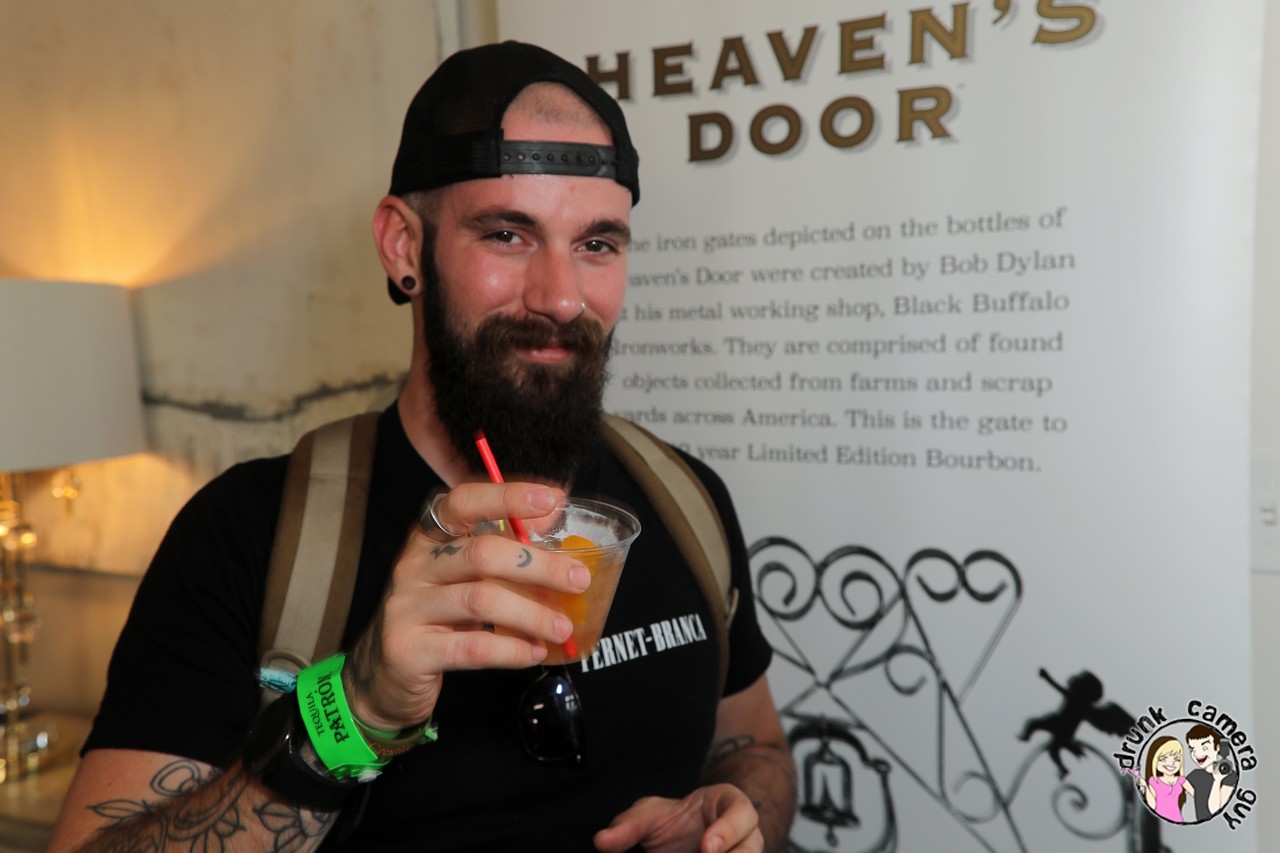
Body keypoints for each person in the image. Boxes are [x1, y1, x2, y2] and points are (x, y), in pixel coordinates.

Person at [49, 40, 796, 852]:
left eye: (597, 244)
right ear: (404, 246)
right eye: (508, 234)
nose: (561, 296)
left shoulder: (685, 499)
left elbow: (756, 745)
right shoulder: (244, 535)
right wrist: (355, 713)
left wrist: (736, 812)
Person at [1184, 724, 1237, 821]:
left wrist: (1217, 780)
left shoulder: (1230, 776)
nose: (1197, 754)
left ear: (1217, 747)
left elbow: (1215, 810)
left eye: (1204, 748)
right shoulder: (1195, 775)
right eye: (1192, 749)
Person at [1136, 736, 1193, 823]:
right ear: (1154, 760)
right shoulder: (1153, 781)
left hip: (1177, 819)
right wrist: (1145, 786)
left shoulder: (1181, 780)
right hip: (1158, 820)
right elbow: (1152, 805)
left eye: (1177, 759)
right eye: (1163, 759)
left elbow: (1197, 795)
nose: (1171, 763)